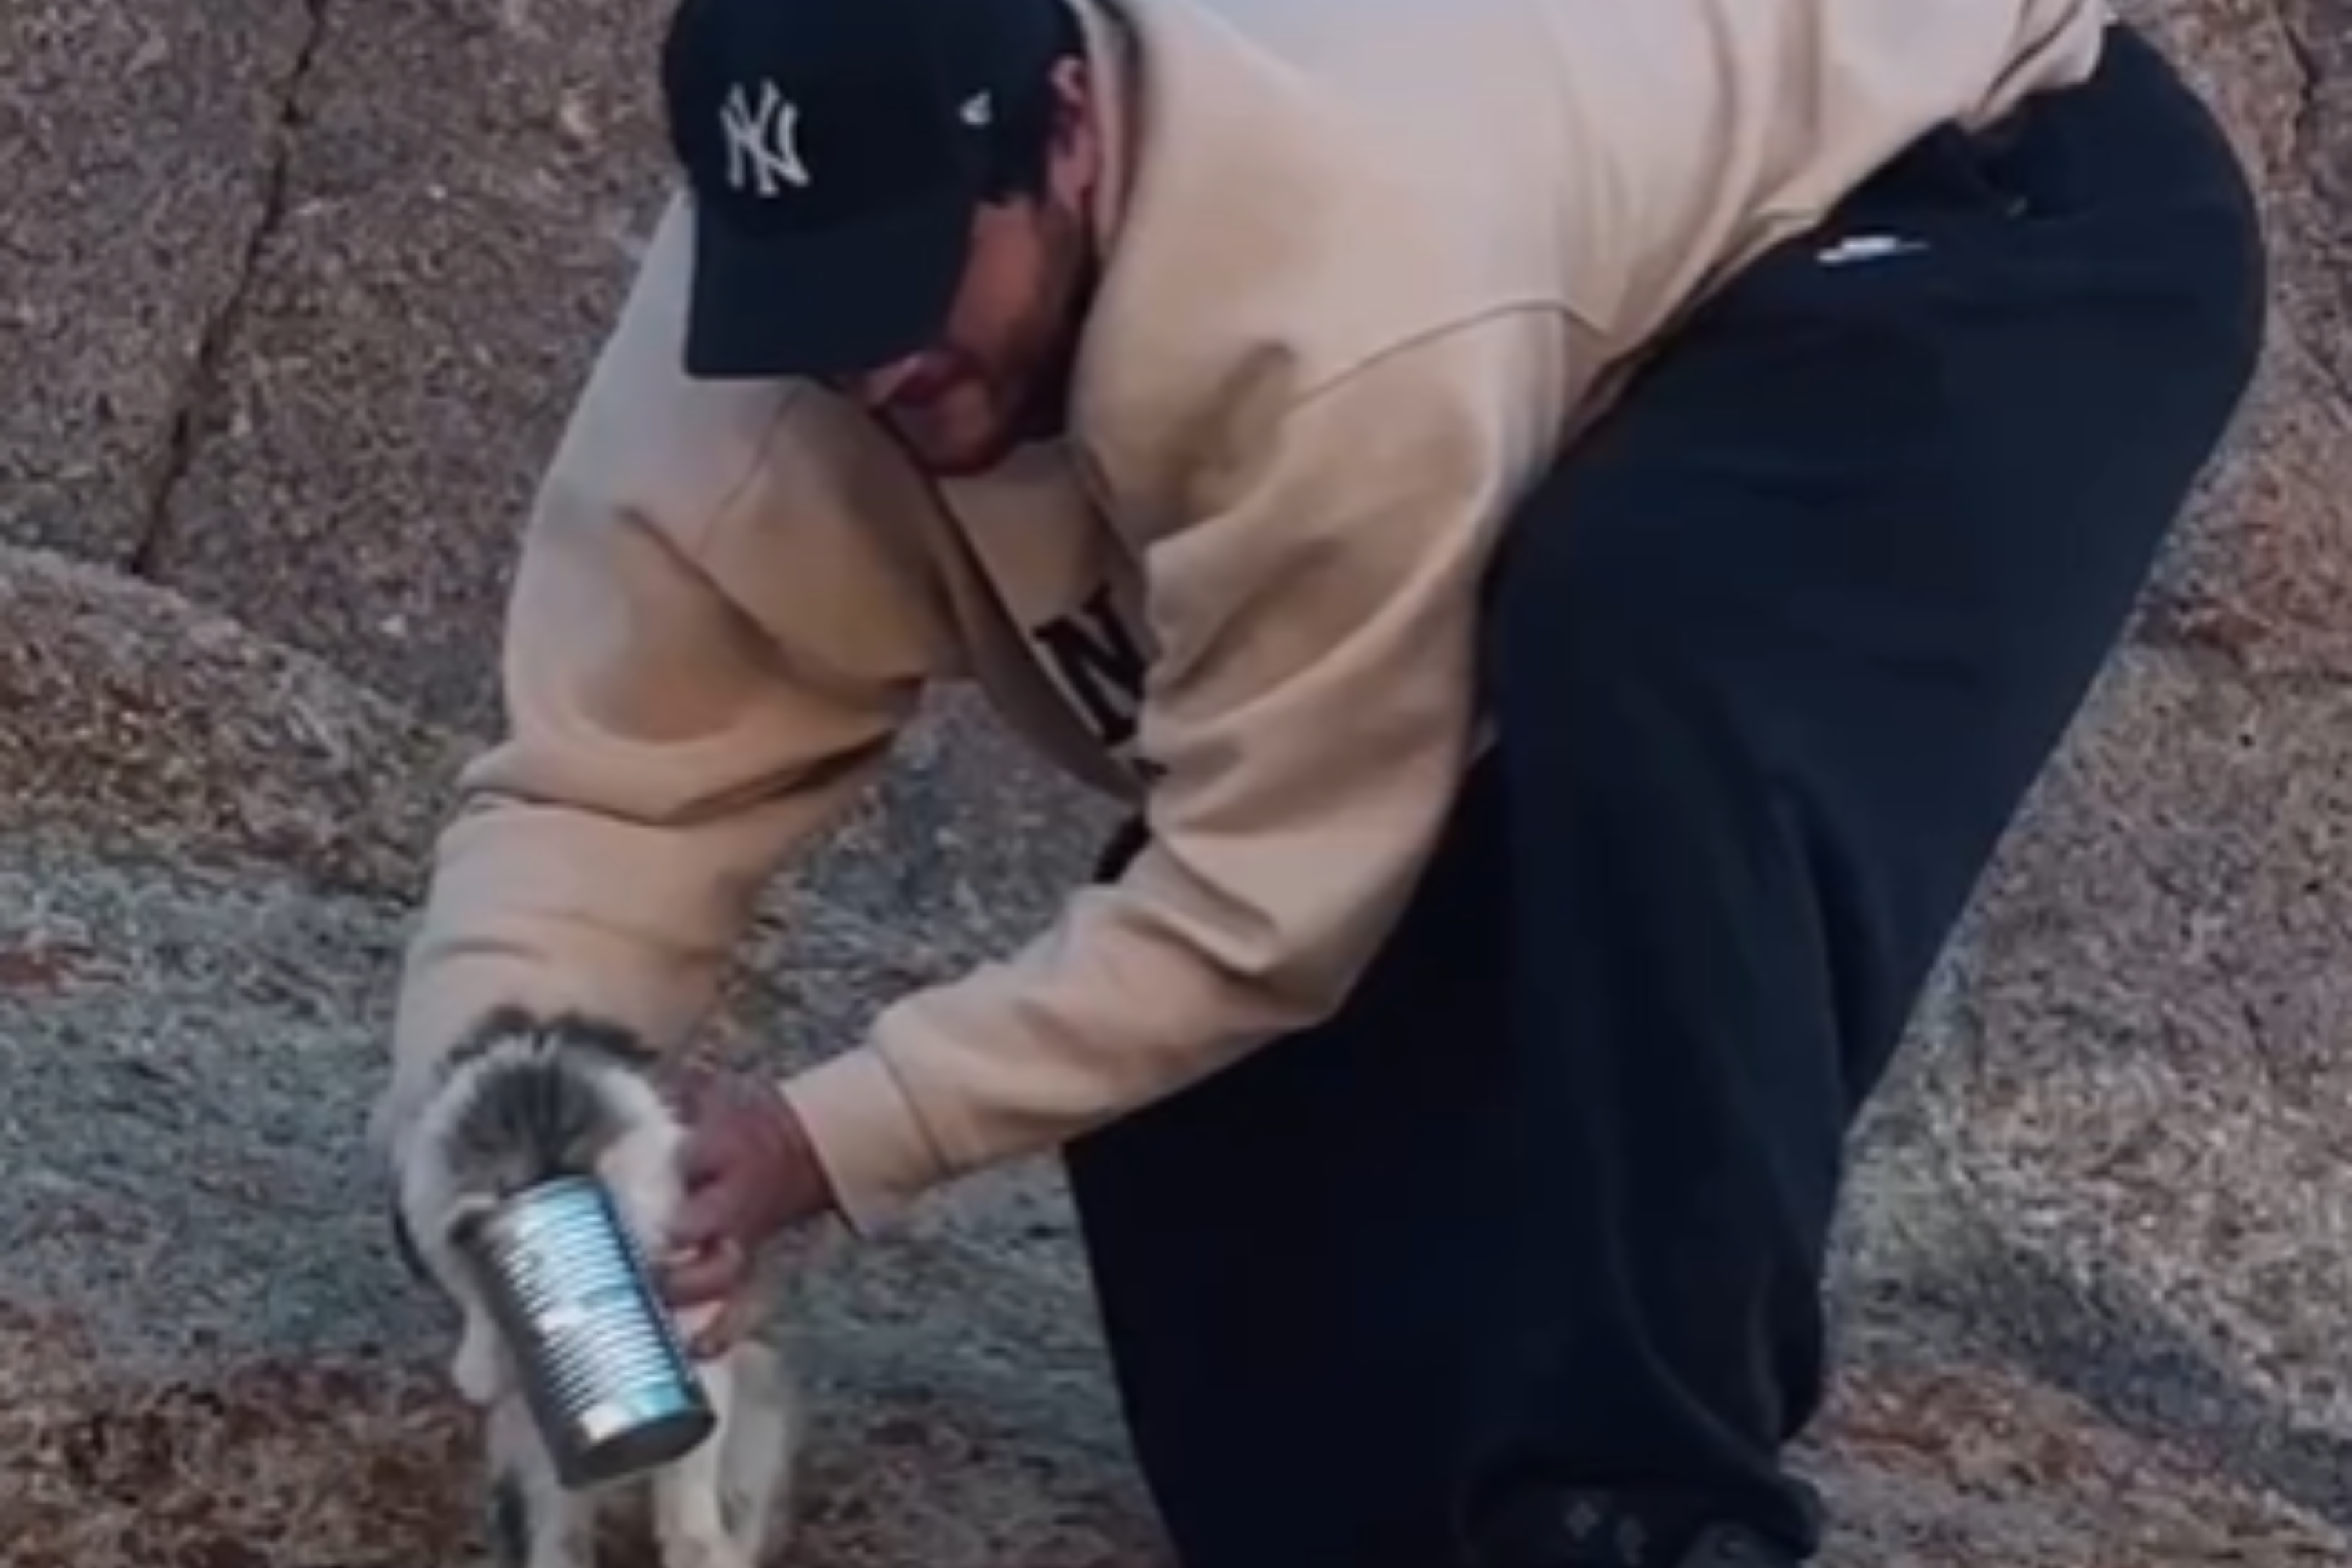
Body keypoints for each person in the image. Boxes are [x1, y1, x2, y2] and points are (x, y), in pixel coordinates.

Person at [372, 0, 2267, 1558]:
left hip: (1988, 199)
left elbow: (1268, 907)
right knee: (1209, 1143)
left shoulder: (1333, 278)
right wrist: (540, 1231)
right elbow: (594, 808)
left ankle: (1644, 1498)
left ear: (1068, 128)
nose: (873, 361)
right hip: (1575, 296)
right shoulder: (758, 368)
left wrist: (816, 1142)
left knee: (1660, 661)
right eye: (807, 301)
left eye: (916, 278)